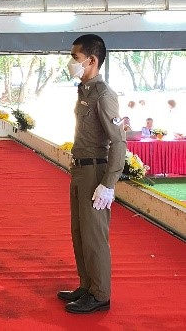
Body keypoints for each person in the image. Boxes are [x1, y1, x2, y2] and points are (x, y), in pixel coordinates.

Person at [59, 34, 126, 314]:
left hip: (95, 172)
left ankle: (100, 294)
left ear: (92, 60)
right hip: (80, 169)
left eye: (75, 58)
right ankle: (87, 285)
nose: (71, 63)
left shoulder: (104, 95)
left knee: (94, 236)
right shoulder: (84, 90)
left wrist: (108, 183)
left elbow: (119, 142)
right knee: (79, 232)